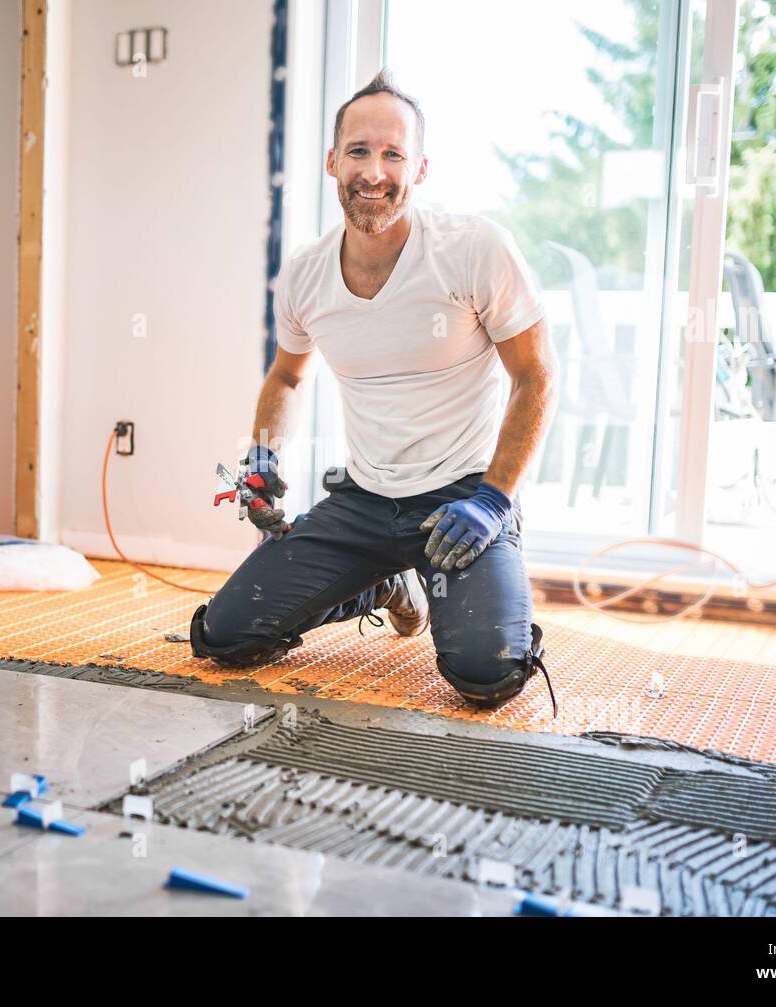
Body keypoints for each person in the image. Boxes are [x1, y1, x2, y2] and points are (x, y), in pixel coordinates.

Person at [189, 68, 559, 712]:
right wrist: (263, 458)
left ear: (419, 170)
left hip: (461, 501)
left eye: (393, 155)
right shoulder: (305, 274)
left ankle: (462, 595)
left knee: (488, 673)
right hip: (362, 500)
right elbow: (286, 376)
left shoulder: (474, 250)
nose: (374, 171)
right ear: (332, 162)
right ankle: (385, 587)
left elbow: (537, 375)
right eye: (359, 151)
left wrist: (496, 501)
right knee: (222, 637)